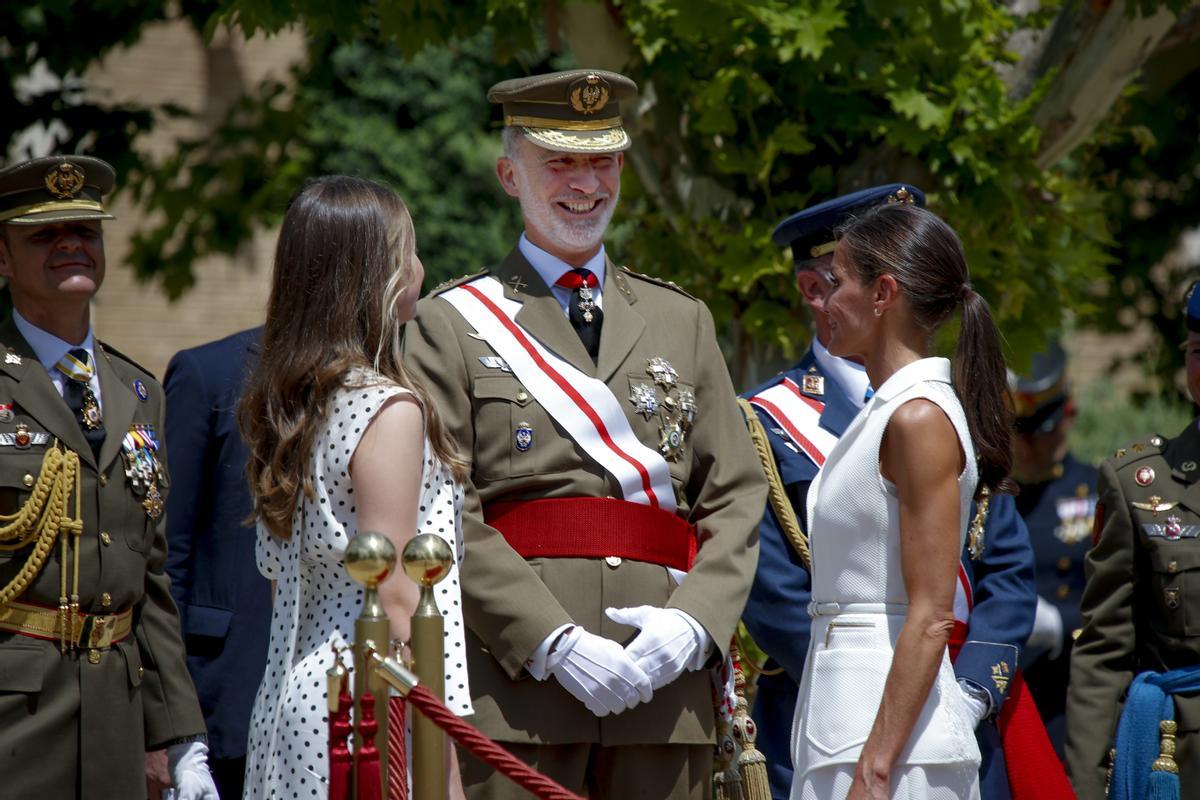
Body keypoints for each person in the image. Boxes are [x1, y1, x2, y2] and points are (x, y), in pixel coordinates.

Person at [402, 69, 767, 799]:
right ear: (511, 174)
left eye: (601, 160)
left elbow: (735, 493)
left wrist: (693, 626)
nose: (584, 182)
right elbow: (442, 506)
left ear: (623, 168)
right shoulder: (451, 323)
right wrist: (549, 640)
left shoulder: (681, 320)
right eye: (559, 161)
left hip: (665, 695)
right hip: (520, 696)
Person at [741, 184, 1039, 800]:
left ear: (883, 295)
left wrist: (875, 767)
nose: (829, 300)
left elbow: (932, 615)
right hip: (839, 716)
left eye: (843, 280)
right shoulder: (886, 412)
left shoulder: (917, 416)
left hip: (888, 737)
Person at [239, 176, 472, 798]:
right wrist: (443, 763)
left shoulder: (290, 404)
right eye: (408, 251)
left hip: (297, 693)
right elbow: (399, 600)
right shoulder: (386, 408)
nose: (420, 267)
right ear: (378, 274)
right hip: (372, 704)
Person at [0, 155, 215, 799]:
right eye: (45, 234)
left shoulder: (137, 391)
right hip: (14, 713)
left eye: (86, 231)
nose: (71, 243)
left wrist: (178, 734)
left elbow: (149, 574)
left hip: (116, 714)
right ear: (2, 258)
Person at [1066, 281, 1200, 799]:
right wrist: (1083, 787)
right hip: (1179, 763)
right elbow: (1103, 653)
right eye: (1197, 352)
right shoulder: (1142, 483)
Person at [164, 326, 270, 799]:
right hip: (228, 694)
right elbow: (167, 554)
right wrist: (172, 726)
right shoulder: (210, 373)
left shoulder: (387, 377)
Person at [1008, 341, 1097, 757]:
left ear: (1068, 414)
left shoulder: (1098, 494)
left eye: (1037, 434)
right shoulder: (991, 499)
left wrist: (1061, 625)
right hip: (1003, 691)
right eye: (1016, 433)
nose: (1025, 448)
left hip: (1070, 697)